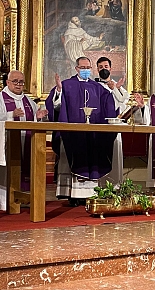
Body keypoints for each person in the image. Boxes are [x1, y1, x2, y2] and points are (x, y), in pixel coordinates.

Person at [45, 57, 117, 205]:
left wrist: (112, 91)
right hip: (72, 134)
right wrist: (58, 91)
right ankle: (72, 194)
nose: (85, 70)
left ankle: (90, 194)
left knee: (92, 158)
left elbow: (109, 105)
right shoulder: (66, 85)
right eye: (82, 67)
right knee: (72, 157)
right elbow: (55, 107)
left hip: (92, 135)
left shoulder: (98, 88)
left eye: (88, 67)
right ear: (76, 68)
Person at [0, 70, 48, 210]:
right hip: (7, 142)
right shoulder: (1, 98)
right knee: (9, 170)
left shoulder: (29, 101)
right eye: (15, 81)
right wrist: (10, 114)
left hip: (25, 140)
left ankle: (22, 198)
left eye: (21, 82)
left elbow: (33, 120)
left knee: (25, 167)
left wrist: (37, 117)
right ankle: (5, 200)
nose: (18, 84)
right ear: (8, 82)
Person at [95, 56, 130, 185]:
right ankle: (99, 184)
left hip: (114, 127)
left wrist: (116, 88)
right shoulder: (94, 86)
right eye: (100, 67)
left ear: (110, 68)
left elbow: (123, 104)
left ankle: (115, 184)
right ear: (97, 69)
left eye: (106, 67)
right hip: (99, 128)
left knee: (114, 155)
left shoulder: (118, 86)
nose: (103, 69)